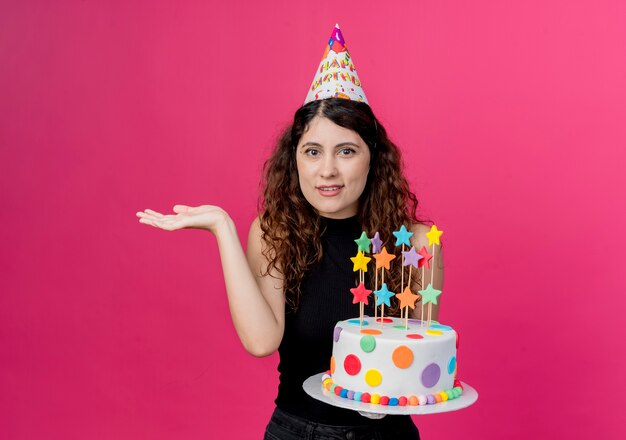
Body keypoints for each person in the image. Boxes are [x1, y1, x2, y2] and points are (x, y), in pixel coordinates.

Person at [137, 25, 443, 440]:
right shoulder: (274, 233)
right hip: (297, 433)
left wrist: (383, 399)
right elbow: (262, 341)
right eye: (313, 152)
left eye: (347, 151)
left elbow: (413, 363)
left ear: (374, 160)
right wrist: (223, 229)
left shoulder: (418, 244)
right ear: (295, 158)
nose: (327, 170)